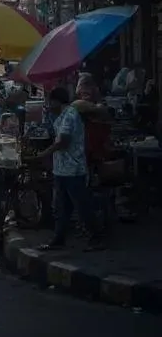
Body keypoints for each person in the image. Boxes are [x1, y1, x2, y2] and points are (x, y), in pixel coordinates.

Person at [36, 86, 104, 251]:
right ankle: (59, 239)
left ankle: (97, 238)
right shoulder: (61, 116)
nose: (48, 104)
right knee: (62, 207)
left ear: (56, 101)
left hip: (73, 169)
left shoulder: (70, 116)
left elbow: (63, 142)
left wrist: (44, 154)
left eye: (50, 101)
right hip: (62, 169)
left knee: (82, 206)